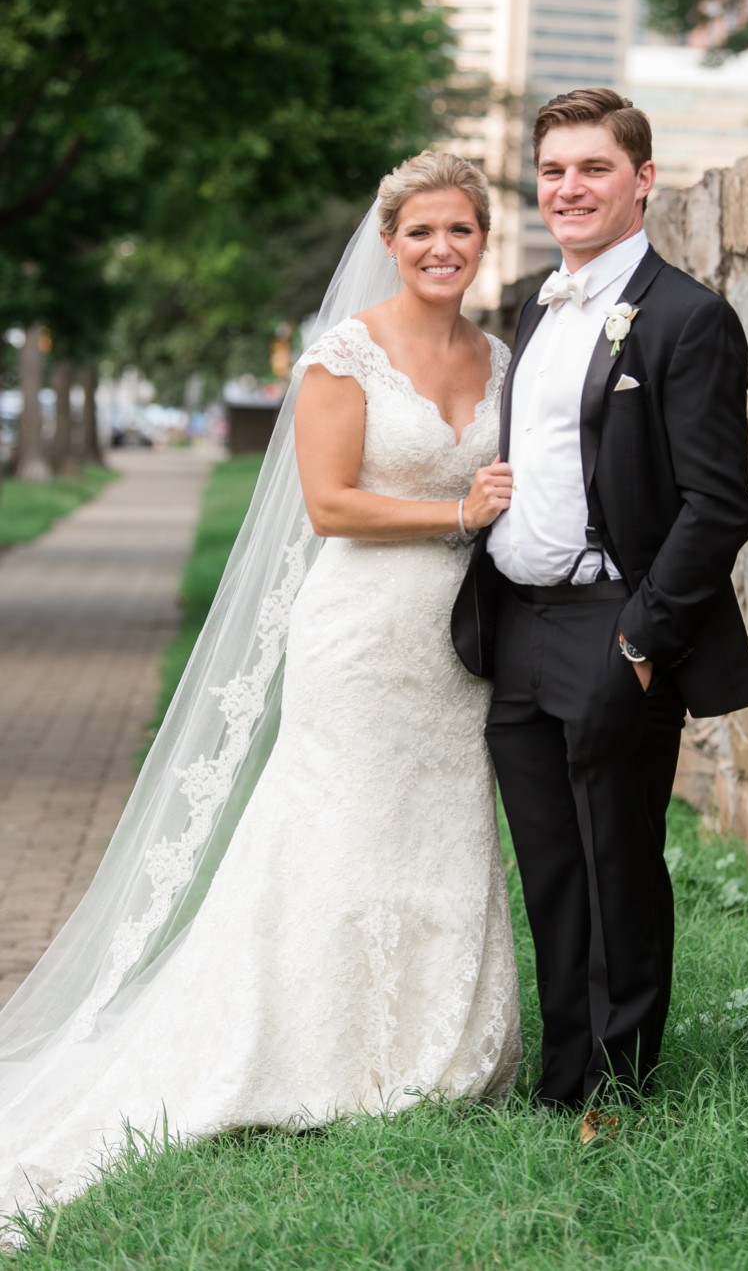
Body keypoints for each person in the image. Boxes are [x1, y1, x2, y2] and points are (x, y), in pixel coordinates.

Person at [0, 151, 520, 1235]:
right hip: (361, 631)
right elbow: (328, 505)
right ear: (389, 241)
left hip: (459, 642)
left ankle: (434, 1049)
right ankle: (307, 1049)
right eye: (420, 231)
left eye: (459, 231)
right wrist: (457, 515)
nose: (440, 249)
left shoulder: (500, 355)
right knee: (335, 830)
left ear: (481, 240)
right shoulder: (344, 356)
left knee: (440, 826)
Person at [452, 89, 748, 1113]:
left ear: (641, 179)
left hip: (610, 625)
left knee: (616, 862)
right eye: (552, 171)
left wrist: (640, 637)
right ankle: (560, 1080)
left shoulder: (687, 318)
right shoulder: (538, 309)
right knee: (549, 868)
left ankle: (618, 1090)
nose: (568, 188)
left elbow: (718, 505)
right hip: (518, 626)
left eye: (592, 168)